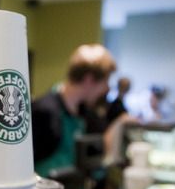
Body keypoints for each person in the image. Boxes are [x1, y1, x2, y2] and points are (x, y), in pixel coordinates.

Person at [32, 43, 117, 178]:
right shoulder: (44, 111)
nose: (105, 89)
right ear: (89, 79)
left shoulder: (85, 112)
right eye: (105, 82)